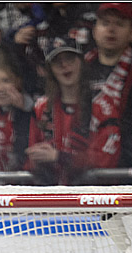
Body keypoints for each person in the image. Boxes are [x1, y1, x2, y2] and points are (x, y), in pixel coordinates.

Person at [83, 2, 132, 169]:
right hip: (84, 162)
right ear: (94, 31)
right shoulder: (79, 70)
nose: (111, 30)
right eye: (105, 23)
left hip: (126, 165)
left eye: (119, 24)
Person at [26, 37, 91, 184]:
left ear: (81, 62)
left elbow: (105, 159)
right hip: (51, 193)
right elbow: (29, 159)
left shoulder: (99, 104)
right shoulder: (41, 107)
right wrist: (37, 159)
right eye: (57, 61)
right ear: (49, 69)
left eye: (70, 59)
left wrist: (60, 157)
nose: (64, 66)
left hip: (90, 195)